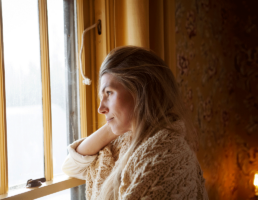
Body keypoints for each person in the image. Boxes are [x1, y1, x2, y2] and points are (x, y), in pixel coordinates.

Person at [62, 46, 209, 200]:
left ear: (140, 92)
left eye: (109, 93)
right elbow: (71, 167)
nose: (101, 108)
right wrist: (117, 124)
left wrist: (122, 120)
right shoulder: (125, 142)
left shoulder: (163, 159)